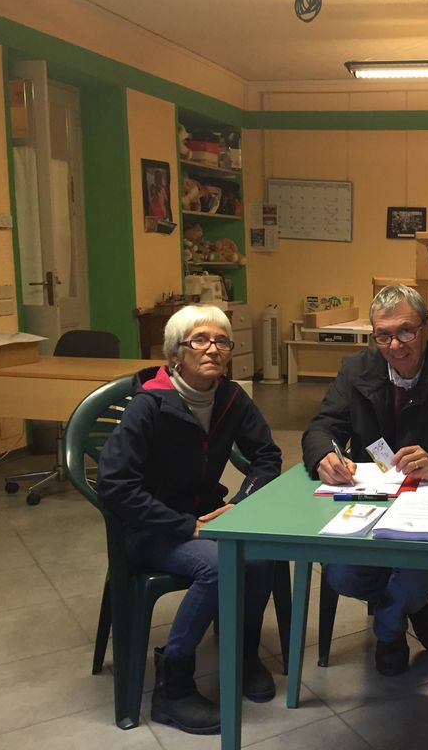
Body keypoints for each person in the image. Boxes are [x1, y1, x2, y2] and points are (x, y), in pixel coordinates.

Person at [302, 284, 428, 675]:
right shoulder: (356, 369)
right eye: (383, 335)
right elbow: (322, 426)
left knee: (416, 573)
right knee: (342, 574)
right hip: (372, 498)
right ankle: (413, 609)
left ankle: (390, 627)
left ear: (427, 328)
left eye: (405, 332)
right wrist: (324, 454)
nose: (394, 345)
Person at [97, 305, 281, 735]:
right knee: (218, 566)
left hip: (205, 517)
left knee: (261, 556)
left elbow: (267, 457)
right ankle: (173, 684)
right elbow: (115, 486)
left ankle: (243, 654)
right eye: (200, 340)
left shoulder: (231, 398)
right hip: (149, 528)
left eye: (222, 341)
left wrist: (242, 503)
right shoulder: (149, 405)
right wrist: (184, 525)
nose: (213, 349)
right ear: (175, 354)